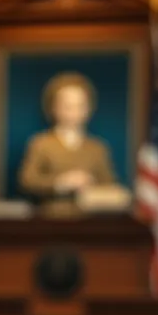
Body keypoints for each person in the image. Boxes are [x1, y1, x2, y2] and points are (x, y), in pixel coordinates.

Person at [18, 72, 118, 212]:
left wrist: (90, 183)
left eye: (79, 106)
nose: (73, 112)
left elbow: (110, 185)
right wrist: (61, 183)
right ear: (53, 108)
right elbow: (27, 181)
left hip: (90, 218)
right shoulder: (41, 143)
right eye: (67, 106)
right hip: (49, 217)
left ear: (89, 108)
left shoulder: (98, 147)